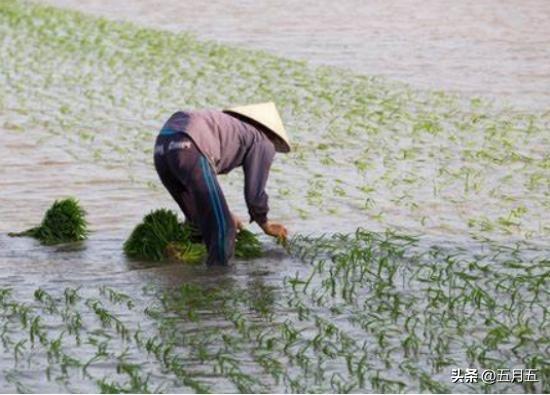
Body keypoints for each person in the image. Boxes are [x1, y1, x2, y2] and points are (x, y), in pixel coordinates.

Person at [153, 102, 290, 266]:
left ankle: (180, 268)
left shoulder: (232, 128)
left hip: (162, 147)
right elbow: (255, 192)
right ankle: (218, 283)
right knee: (224, 229)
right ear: (272, 134)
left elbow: (205, 188)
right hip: (190, 146)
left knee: (198, 224)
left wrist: (226, 212)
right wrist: (265, 223)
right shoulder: (263, 141)